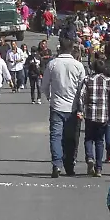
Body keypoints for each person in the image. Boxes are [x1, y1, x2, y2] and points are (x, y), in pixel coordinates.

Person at [44, 40, 86, 177]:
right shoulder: (78, 66)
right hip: (73, 106)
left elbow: (44, 85)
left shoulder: (52, 64)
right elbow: (82, 88)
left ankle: (56, 164)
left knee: (55, 136)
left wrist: (49, 97)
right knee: (70, 138)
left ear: (60, 49)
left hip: (56, 105)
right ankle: (69, 166)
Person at [78, 59, 110, 177]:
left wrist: (80, 110)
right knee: (99, 141)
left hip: (89, 113)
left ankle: (90, 157)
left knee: (88, 138)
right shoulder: (108, 81)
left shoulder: (87, 80)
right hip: (103, 114)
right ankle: (98, 168)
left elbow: (81, 95)